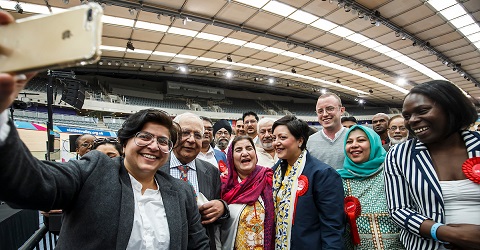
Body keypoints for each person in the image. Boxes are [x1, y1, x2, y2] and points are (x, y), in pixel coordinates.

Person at [384, 80, 480, 250]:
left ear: (451, 108)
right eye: (407, 116)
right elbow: (399, 209)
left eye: (422, 111)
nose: (412, 120)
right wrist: (446, 233)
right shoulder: (399, 155)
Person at [272, 115, 345, 249]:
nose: (276, 142)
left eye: (282, 138)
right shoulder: (275, 172)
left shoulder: (323, 174)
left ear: (300, 141)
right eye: (274, 138)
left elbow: (332, 227)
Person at [161, 112, 229, 250]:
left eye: (198, 135)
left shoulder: (211, 171)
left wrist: (222, 207)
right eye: (185, 133)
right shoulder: (156, 167)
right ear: (173, 135)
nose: (191, 140)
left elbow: (219, 208)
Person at [338, 125, 403, 249]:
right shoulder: (340, 179)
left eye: (361, 140)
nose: (354, 145)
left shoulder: (393, 172)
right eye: (349, 142)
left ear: (374, 143)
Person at [220, 135, 274, 250]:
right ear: (231, 157)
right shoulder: (223, 186)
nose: (245, 153)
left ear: (255, 153)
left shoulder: (269, 178)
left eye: (249, 148)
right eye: (238, 150)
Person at [307, 92, 347, 169]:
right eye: (320, 111)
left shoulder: (354, 137)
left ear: (341, 111)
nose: (325, 114)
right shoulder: (309, 142)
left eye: (330, 109)